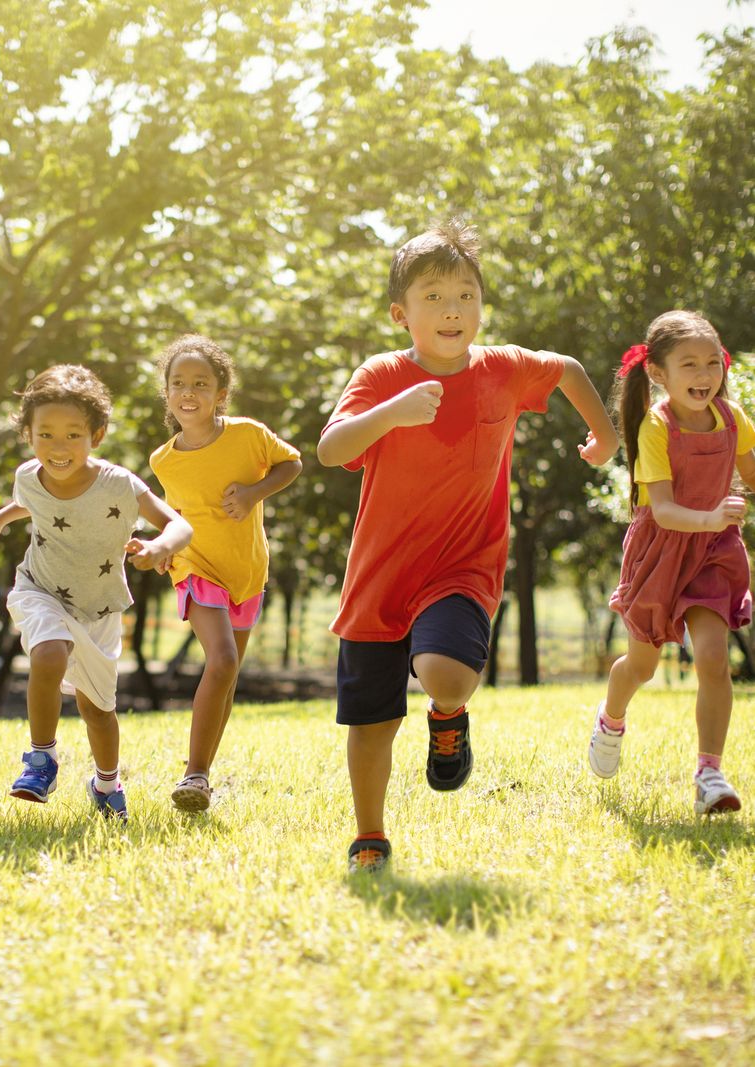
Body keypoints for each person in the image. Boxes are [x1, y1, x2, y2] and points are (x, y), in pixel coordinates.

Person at [317, 219, 618, 873]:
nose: (452, 310)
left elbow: (567, 370)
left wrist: (605, 436)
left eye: (465, 295)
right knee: (371, 722)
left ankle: (447, 714)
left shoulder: (502, 369)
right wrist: (389, 413)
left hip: (462, 566)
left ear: (481, 306)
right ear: (401, 314)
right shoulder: (380, 375)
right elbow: (331, 448)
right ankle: (370, 836)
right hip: (378, 577)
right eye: (433, 297)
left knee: (447, 672)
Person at [0, 364, 192, 821]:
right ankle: (41, 759)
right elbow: (31, 503)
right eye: (45, 435)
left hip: (99, 607)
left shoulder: (118, 484)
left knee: (97, 711)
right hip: (40, 588)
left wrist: (159, 547)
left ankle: (107, 784)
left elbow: (179, 524)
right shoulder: (27, 476)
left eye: (73, 435)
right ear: (28, 435)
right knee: (49, 652)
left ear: (97, 434)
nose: (59, 447)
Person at [590, 310, 751, 815]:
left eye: (712, 363)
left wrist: (719, 521)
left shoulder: (733, 418)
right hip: (661, 552)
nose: (705, 375)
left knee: (713, 658)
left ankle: (709, 774)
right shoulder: (656, 428)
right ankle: (611, 718)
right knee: (642, 665)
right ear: (659, 372)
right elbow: (662, 510)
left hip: (713, 553)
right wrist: (711, 517)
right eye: (690, 364)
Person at [150, 334, 302, 812]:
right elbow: (172, 513)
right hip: (195, 565)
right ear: (167, 393)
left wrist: (255, 493)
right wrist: (161, 546)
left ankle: (202, 780)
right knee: (221, 661)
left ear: (221, 393)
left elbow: (292, 463)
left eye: (201, 383)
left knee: (227, 672)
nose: (188, 391)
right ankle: (194, 772)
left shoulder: (248, 435)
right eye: (178, 383)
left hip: (246, 569)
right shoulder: (163, 460)